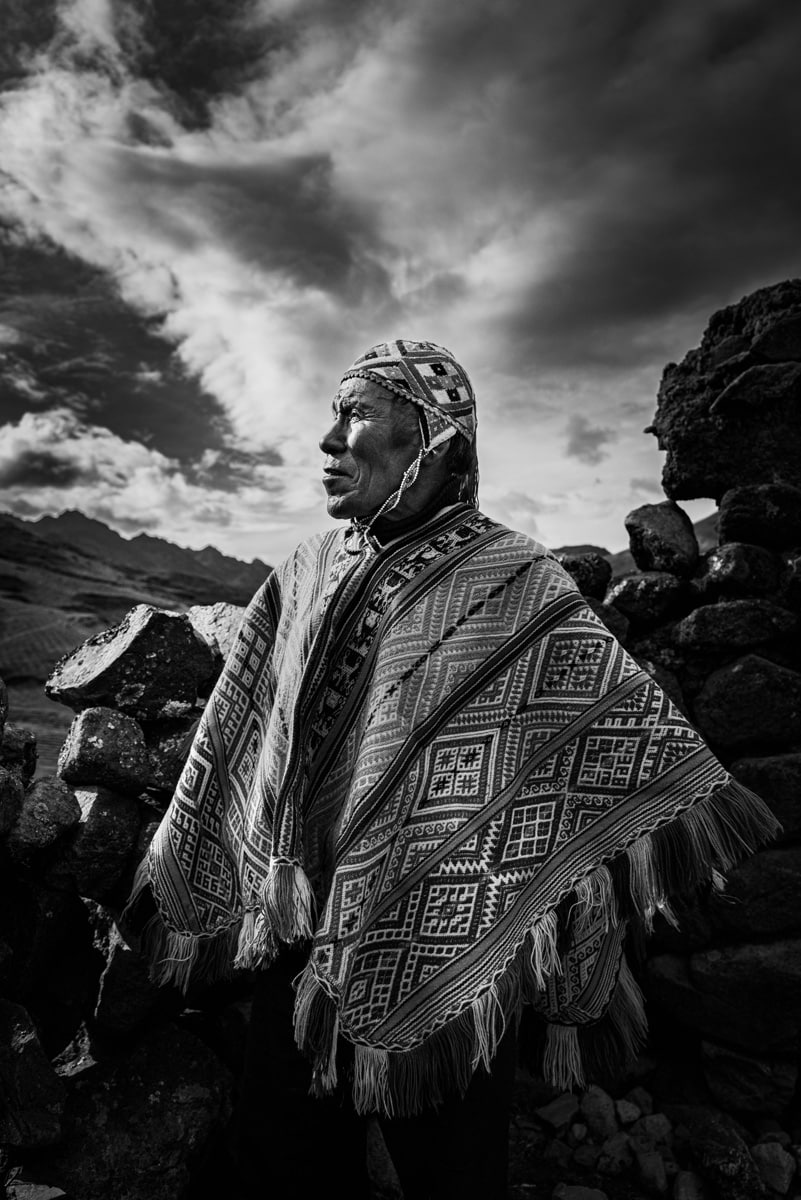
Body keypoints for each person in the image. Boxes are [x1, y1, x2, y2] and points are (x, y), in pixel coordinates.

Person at [123, 339, 778, 1198]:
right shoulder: (304, 574)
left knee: (453, 1178)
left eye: (354, 413)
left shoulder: (518, 583)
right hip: (301, 942)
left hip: (460, 955)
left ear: (436, 440)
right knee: (279, 1164)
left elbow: (611, 739)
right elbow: (241, 736)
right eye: (332, 412)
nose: (326, 440)